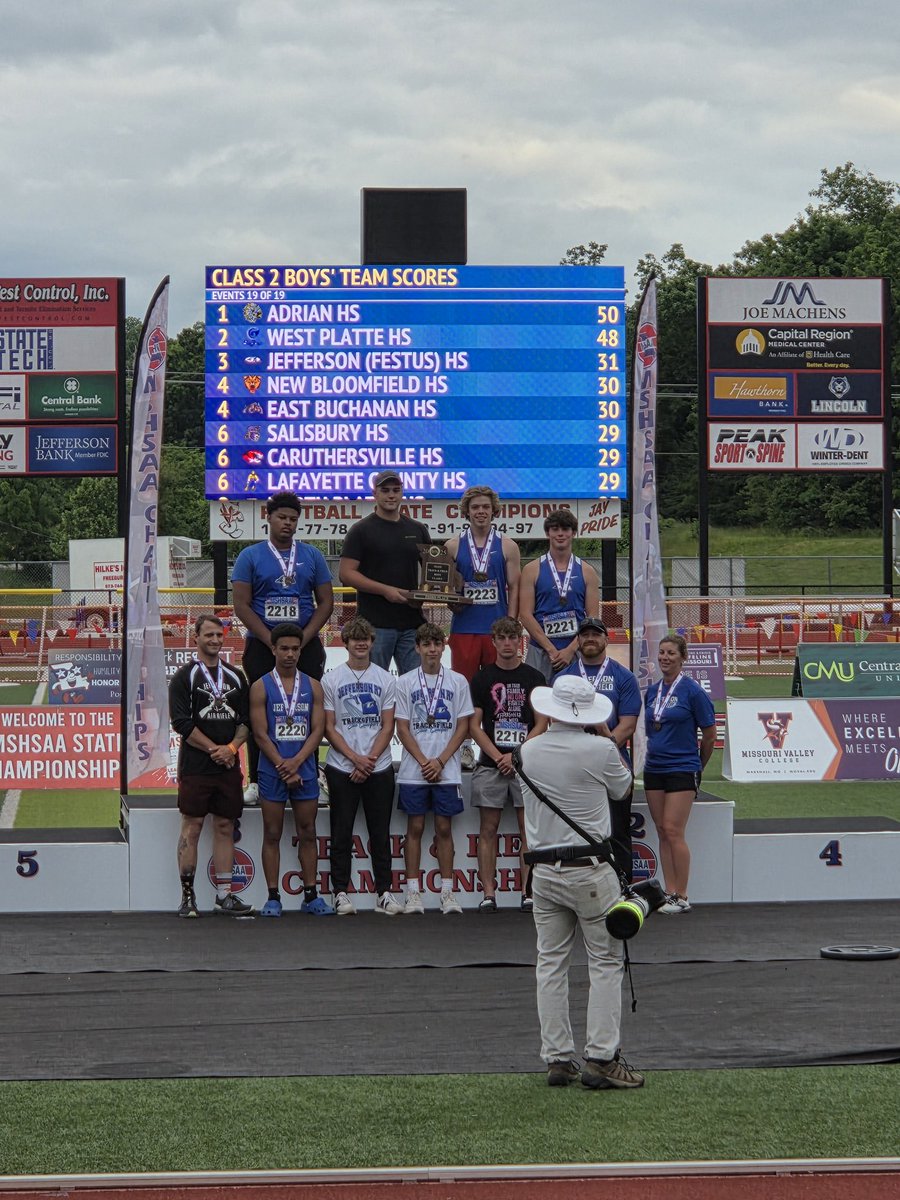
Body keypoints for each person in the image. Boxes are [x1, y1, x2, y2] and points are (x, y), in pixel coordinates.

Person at [520, 675, 644, 1090]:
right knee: (605, 961)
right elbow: (624, 788)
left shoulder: (528, 751)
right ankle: (602, 1057)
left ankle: (557, 1057)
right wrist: (606, 736)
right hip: (590, 869)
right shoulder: (600, 749)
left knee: (550, 962)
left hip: (543, 870)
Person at [233, 491, 333, 805]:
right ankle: (256, 779)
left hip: (305, 644)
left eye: (293, 519)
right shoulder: (249, 556)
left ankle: (311, 771)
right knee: (259, 708)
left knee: (308, 707)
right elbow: (242, 605)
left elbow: (326, 602)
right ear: (268, 516)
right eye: (282, 518)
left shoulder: (312, 555)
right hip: (262, 645)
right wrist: (270, 641)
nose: (287, 524)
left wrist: (302, 640)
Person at [169, 614, 253, 917]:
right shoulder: (184, 677)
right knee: (191, 827)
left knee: (225, 826)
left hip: (228, 764)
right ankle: (187, 897)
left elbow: (245, 722)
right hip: (196, 765)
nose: (215, 640)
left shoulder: (235, 675)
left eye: (219, 635)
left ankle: (225, 895)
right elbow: (181, 723)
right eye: (209, 635)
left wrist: (230, 748)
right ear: (196, 638)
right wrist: (212, 749)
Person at [323, 616, 404, 916]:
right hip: (342, 765)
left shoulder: (386, 679)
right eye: (354, 639)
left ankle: (384, 891)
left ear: (372, 642)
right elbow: (329, 728)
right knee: (340, 831)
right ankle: (340, 892)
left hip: (378, 765)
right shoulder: (331, 679)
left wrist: (367, 760)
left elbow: (388, 726)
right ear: (345, 644)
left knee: (380, 832)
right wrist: (354, 758)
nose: (360, 643)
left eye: (365, 639)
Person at [249, 621, 331, 916]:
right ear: (273, 649)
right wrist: (284, 765)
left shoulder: (313, 686)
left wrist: (296, 762)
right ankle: (273, 897)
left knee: (308, 831)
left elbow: (318, 730)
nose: (290, 654)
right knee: (272, 832)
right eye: (284, 648)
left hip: (304, 767)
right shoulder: (260, 686)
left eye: (295, 649)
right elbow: (260, 734)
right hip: (272, 769)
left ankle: (311, 895)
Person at [395, 622, 474, 914]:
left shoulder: (458, 681)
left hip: (447, 767)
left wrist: (440, 761)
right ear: (417, 648)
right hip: (414, 769)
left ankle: (447, 892)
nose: (432, 650)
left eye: (436, 644)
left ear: (443, 647)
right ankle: (413, 893)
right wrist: (424, 761)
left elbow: (463, 725)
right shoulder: (404, 682)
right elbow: (402, 727)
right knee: (414, 827)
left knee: (443, 827)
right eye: (426, 645)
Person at [468, 617, 546, 911]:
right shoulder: (482, 678)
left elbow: (542, 723)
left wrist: (515, 755)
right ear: (494, 642)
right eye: (502, 638)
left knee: (529, 830)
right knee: (488, 829)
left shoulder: (535, 678)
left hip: (524, 765)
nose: (508, 644)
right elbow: (474, 725)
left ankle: (528, 892)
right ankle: (489, 894)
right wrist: (498, 755)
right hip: (490, 764)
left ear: (520, 641)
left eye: (513, 638)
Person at [561, 617, 642, 879]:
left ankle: (624, 888)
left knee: (617, 831)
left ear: (606, 639)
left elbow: (628, 724)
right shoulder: (564, 678)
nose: (590, 639)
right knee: (576, 832)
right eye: (585, 635)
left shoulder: (624, 677)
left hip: (613, 761)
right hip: (574, 765)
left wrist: (602, 750)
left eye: (596, 634)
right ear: (578, 641)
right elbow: (557, 722)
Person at [644, 633, 716, 915]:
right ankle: (668, 891)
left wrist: (699, 765)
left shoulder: (693, 692)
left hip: (682, 767)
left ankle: (682, 894)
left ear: (682, 657)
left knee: (674, 830)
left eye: (671, 653)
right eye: (661, 652)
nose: (665, 657)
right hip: (654, 768)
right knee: (662, 830)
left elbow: (709, 735)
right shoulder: (652, 691)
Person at [339, 470, 431, 675]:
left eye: (396, 490)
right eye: (385, 490)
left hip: (412, 623)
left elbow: (433, 571)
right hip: (374, 625)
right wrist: (384, 590)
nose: (391, 495)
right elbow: (346, 573)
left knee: (416, 689)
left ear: (402, 493)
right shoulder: (361, 530)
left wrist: (440, 589)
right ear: (375, 493)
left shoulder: (417, 529)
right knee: (373, 688)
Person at [445, 485, 521, 678]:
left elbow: (514, 587)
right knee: (465, 689)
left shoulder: (508, 546)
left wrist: (510, 623)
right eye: (475, 507)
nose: (481, 512)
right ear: (467, 511)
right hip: (464, 628)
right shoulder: (452, 546)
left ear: (493, 510)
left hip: (497, 630)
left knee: (497, 686)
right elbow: (444, 587)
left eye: (486, 507)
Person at [519, 508, 599, 683]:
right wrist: (550, 649)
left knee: (576, 702)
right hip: (540, 650)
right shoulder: (531, 570)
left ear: (573, 533)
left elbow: (592, 617)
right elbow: (524, 614)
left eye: (565, 529)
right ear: (548, 533)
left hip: (575, 651)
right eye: (555, 529)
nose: (560, 534)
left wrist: (570, 650)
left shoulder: (588, 572)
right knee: (537, 702)